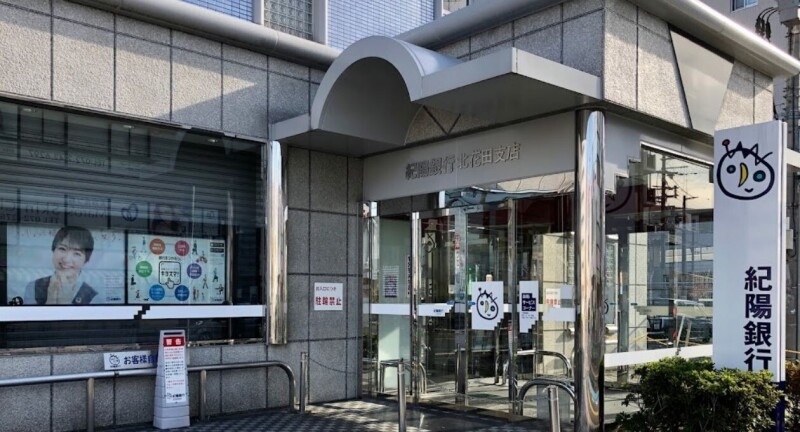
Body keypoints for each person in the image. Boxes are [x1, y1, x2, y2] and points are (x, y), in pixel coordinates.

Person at [23, 226, 97, 305]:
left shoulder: (93, 295)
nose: (67, 259)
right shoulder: (33, 287)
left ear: (86, 260)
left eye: (77, 253)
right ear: (53, 250)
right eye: (62, 249)